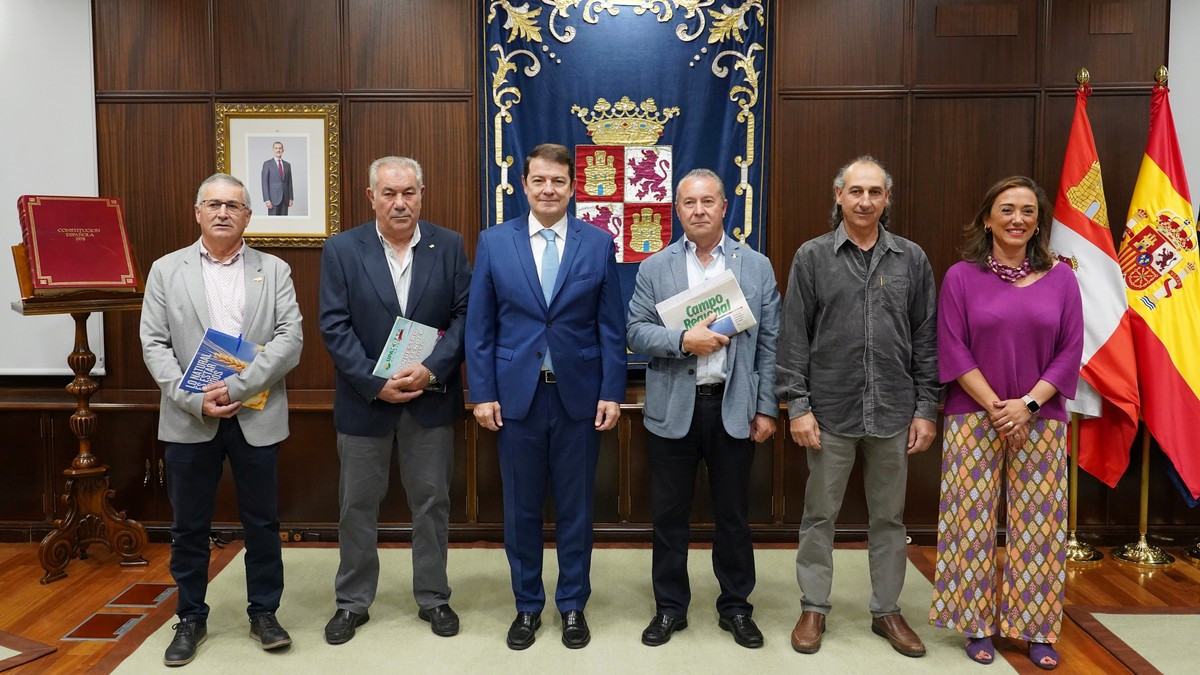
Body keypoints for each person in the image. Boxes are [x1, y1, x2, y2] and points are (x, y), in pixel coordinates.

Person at [775, 156, 939, 658]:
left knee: (889, 518)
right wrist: (797, 406)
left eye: (874, 192)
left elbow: (926, 339)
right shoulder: (812, 256)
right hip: (828, 411)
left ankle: (886, 609)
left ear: (887, 199)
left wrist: (927, 407)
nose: (865, 200)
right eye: (855, 191)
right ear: (838, 196)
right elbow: (793, 338)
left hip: (893, 410)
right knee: (819, 513)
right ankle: (813, 607)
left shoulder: (911, 259)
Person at [465, 143, 626, 650]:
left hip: (580, 399)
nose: (549, 189)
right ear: (525, 185)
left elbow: (610, 327)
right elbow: (480, 328)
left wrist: (612, 392)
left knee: (578, 509)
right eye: (539, 180)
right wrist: (482, 394)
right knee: (521, 510)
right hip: (516, 400)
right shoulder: (494, 242)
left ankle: (573, 605)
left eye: (558, 181)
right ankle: (528, 606)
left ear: (573, 186)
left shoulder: (598, 243)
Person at [140, 173, 303, 666]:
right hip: (191, 418)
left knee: (262, 522)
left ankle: (264, 613)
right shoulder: (167, 270)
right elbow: (154, 343)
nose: (223, 212)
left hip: (257, 413)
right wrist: (195, 398)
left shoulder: (274, 270)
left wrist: (236, 387)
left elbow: (289, 340)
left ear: (248, 216)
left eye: (234, 205)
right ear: (197, 212)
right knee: (189, 525)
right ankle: (190, 617)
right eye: (213, 204)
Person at [929, 176, 1083, 670]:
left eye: (1028, 212)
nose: (1018, 219)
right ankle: (976, 624)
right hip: (975, 416)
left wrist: (1028, 406)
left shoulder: (1063, 278)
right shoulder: (959, 277)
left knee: (1039, 528)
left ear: (1039, 222)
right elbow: (951, 346)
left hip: (1041, 418)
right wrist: (999, 404)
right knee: (969, 524)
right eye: (1007, 209)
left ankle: (1034, 628)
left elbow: (1070, 351)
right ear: (988, 218)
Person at [318, 156, 470, 644]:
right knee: (357, 506)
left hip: (429, 399)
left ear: (422, 194)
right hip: (366, 402)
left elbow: (467, 317)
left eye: (409, 192)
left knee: (432, 503)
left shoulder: (448, 246)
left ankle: (434, 597)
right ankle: (352, 602)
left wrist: (431, 369)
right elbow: (333, 324)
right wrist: (372, 380)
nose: (400, 202)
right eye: (389, 193)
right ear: (372, 197)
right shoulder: (342, 249)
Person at [626, 169, 780, 649]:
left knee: (733, 515)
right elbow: (635, 331)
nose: (698, 210)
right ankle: (670, 608)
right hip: (673, 408)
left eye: (707, 201)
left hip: (733, 408)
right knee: (668, 516)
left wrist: (767, 407)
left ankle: (735, 606)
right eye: (689, 203)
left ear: (723, 207)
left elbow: (772, 344)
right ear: (677, 209)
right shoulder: (656, 267)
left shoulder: (756, 266)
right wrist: (681, 340)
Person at [261, 141, 294, 216]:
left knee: (284, 222)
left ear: (283, 150)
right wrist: (267, 199)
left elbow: (289, 182)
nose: (278, 150)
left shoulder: (287, 165)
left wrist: (291, 198)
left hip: (285, 199)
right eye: (276, 148)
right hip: (273, 200)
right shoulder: (267, 164)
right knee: (273, 223)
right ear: (273, 150)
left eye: (280, 148)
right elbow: (264, 183)